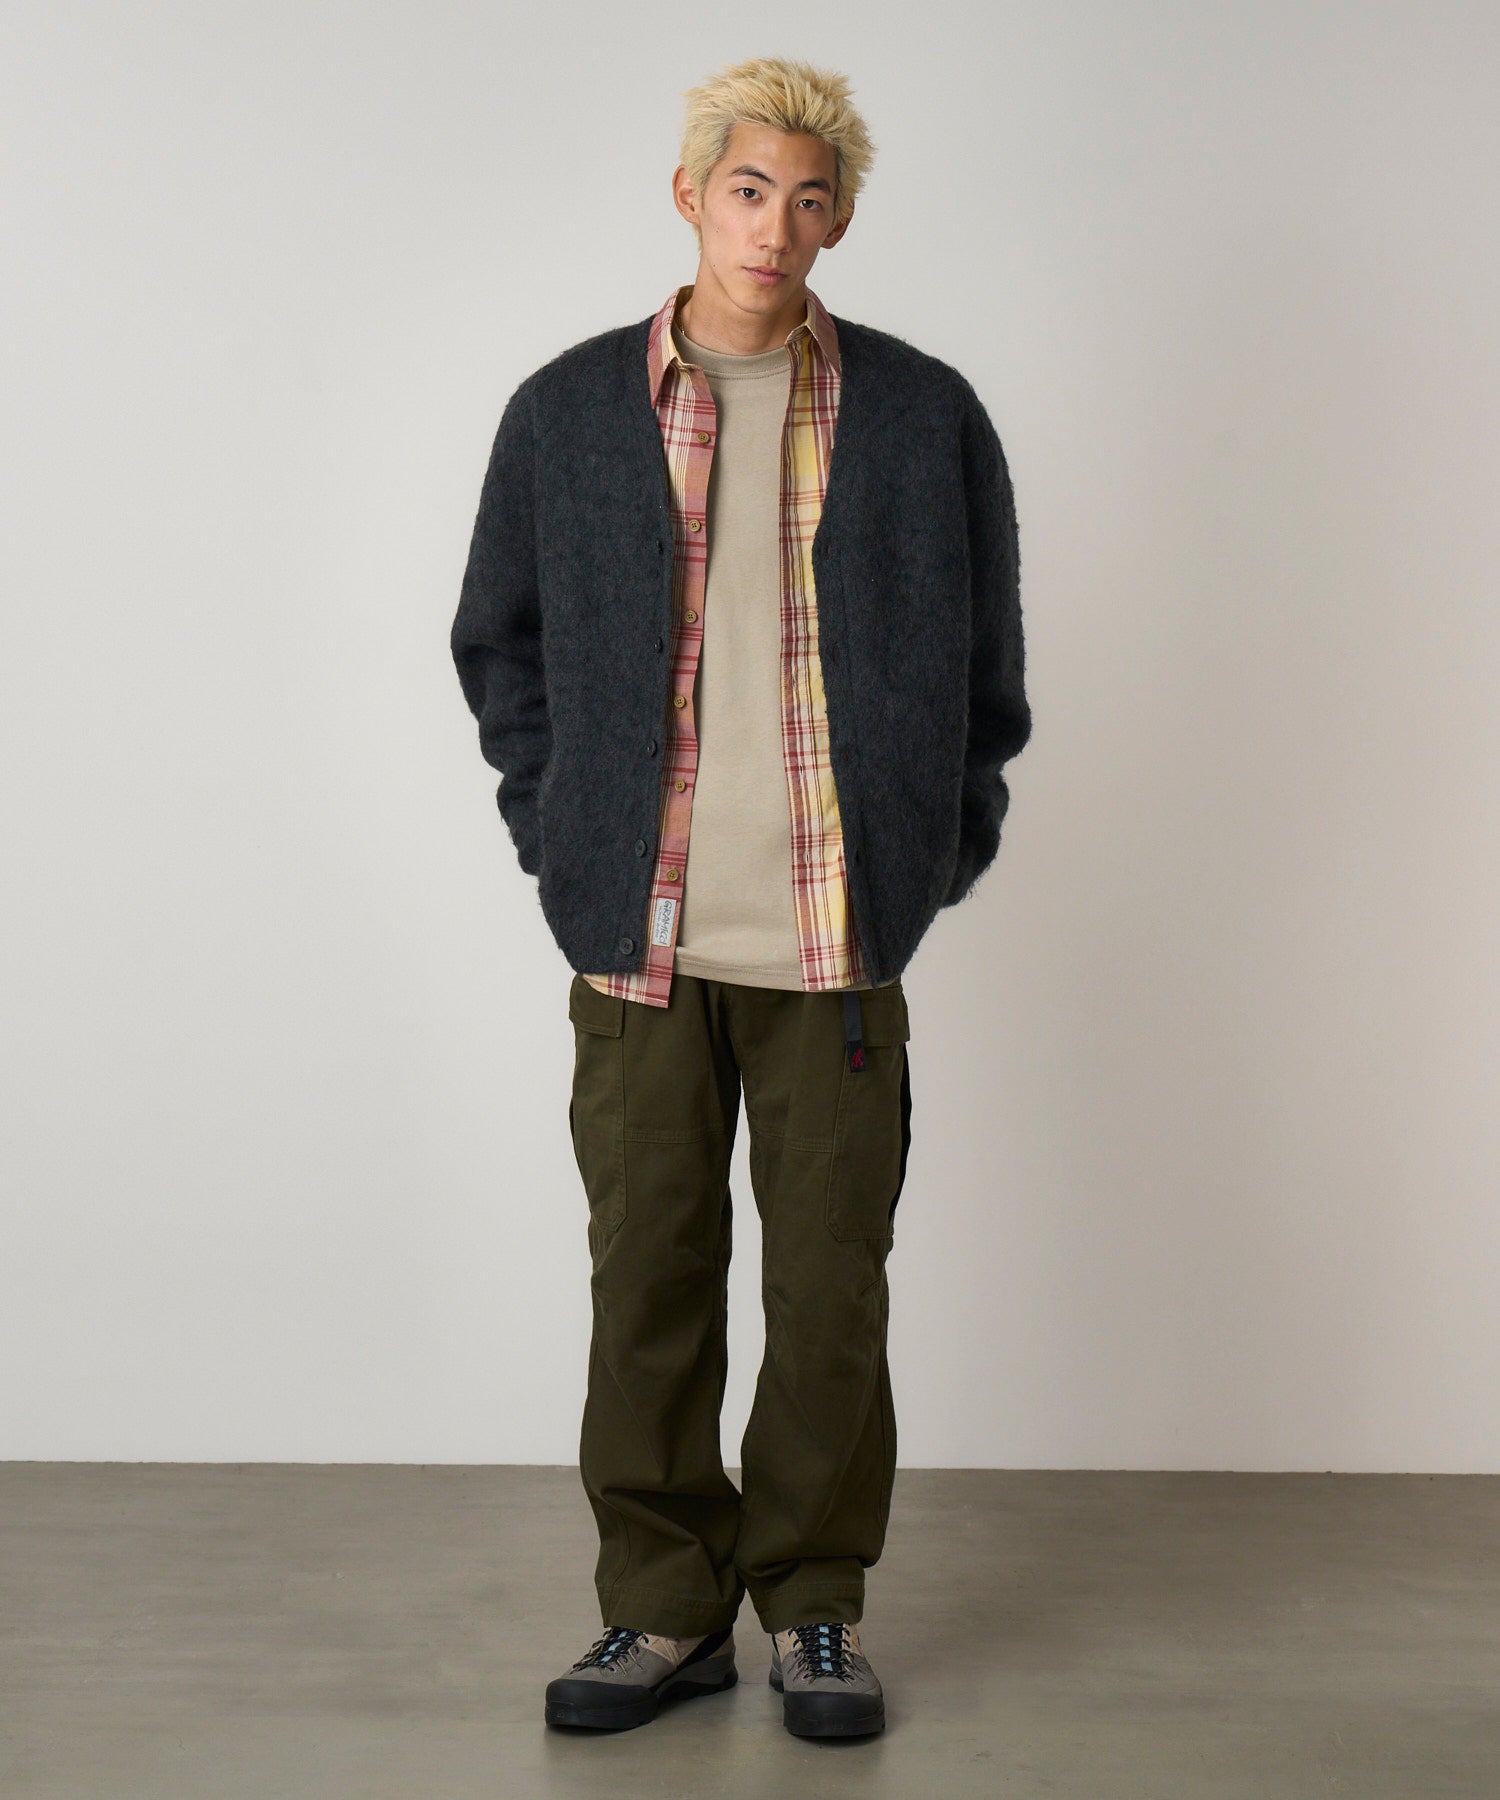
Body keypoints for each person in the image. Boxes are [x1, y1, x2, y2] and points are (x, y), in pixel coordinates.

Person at [450, 53, 1031, 1740]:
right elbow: (501, 645)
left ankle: (815, 1609)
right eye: (749, 189)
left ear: (839, 220)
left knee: (829, 1297)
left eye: (809, 198)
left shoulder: (923, 414)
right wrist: (562, 839)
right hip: (635, 944)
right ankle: (658, 1612)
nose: (776, 227)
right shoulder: (570, 411)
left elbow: (986, 670)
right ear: (692, 194)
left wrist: (932, 857)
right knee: (647, 1288)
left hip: (836, 946)